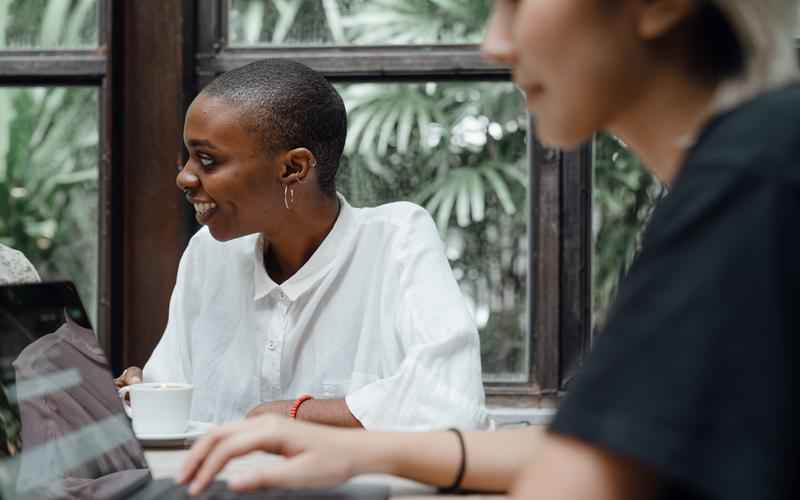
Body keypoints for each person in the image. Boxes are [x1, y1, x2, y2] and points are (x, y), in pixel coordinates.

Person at [177, 1, 799, 499]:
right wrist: (356, 450)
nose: (495, 45)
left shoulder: (755, 175)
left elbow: (582, 479)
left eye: (517, 3)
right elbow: (595, 446)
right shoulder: (736, 170)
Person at [114, 59, 488, 431]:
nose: (184, 177)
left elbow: (452, 402)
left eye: (208, 160)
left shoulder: (396, 240)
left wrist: (292, 414)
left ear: (294, 168)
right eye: (188, 157)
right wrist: (137, 396)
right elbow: (171, 400)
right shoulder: (207, 255)